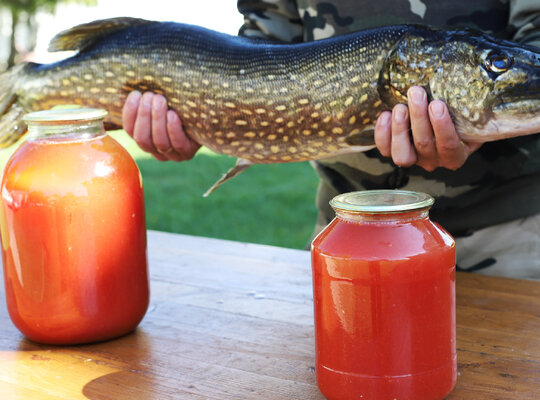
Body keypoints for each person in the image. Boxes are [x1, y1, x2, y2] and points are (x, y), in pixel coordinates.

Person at [122, 0, 540, 279]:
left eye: (493, 64)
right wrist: (204, 115)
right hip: (347, 232)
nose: (496, 68)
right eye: (495, 65)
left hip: (511, 230)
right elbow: (263, 41)